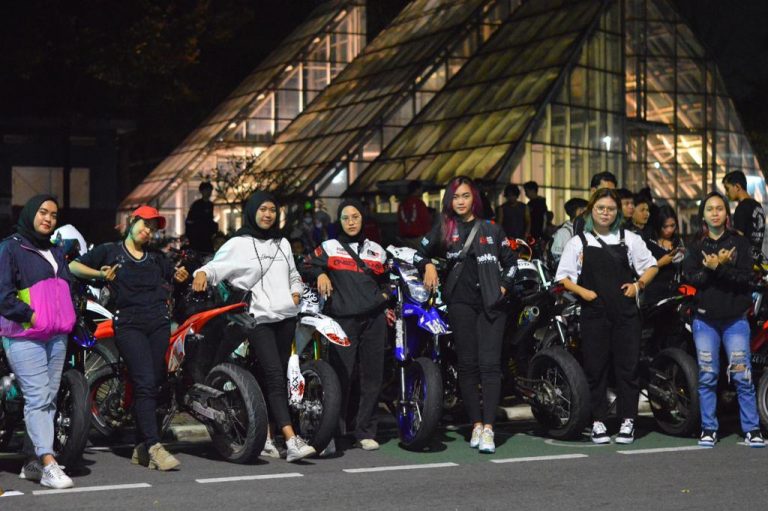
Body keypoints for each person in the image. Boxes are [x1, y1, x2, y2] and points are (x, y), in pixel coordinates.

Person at [191, 192, 315, 462]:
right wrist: (201, 273)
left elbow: (293, 274)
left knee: (273, 376)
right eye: (263, 209)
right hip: (258, 318)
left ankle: (268, 437)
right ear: (252, 212)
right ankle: (291, 439)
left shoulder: (282, 243)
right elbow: (215, 267)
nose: (268, 214)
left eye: (272, 210)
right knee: (274, 374)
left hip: (286, 316)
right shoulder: (238, 244)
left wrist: (295, 292)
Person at [70, 206, 190, 470]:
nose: (148, 231)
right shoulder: (110, 251)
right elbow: (73, 266)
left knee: (155, 383)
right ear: (132, 221)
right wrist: (100, 275)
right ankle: (154, 446)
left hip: (158, 324)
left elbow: (175, 276)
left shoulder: (157, 258)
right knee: (145, 381)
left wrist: (181, 276)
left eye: (153, 228)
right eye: (145, 224)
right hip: (129, 325)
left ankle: (140, 447)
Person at [416, 176, 518, 454]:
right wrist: (428, 265)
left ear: (475, 198)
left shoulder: (492, 229)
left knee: (490, 365)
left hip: (492, 305)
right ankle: (476, 425)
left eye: (465, 196)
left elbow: (512, 265)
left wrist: (502, 288)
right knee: (468, 365)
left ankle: (489, 428)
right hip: (460, 304)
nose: (460, 201)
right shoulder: (444, 229)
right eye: (455, 197)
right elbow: (418, 252)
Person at [556, 189, 658, 445]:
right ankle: (598, 421)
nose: (605, 213)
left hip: (626, 314)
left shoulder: (629, 239)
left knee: (628, 368)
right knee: (595, 368)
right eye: (600, 208)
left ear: (618, 213)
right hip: (594, 314)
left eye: (611, 209)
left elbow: (652, 266)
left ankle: (628, 420)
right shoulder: (578, 241)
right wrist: (584, 293)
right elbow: (563, 278)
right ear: (591, 210)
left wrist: (638, 285)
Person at [0, 195, 76, 489]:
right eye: (43, 212)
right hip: (24, 335)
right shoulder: (11, 247)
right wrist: (31, 316)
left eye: (54, 215)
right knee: (38, 397)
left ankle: (31, 461)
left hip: (56, 335)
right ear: (31, 212)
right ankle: (48, 463)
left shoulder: (55, 251)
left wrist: (69, 315)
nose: (48, 219)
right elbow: (3, 295)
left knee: (49, 398)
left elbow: (66, 287)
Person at [682, 192, 765, 448]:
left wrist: (719, 267)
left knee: (742, 376)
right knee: (708, 375)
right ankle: (709, 428)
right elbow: (692, 279)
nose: (715, 213)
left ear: (726, 214)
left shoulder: (739, 244)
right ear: (703, 216)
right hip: (704, 321)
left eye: (719, 208)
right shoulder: (695, 247)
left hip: (735, 321)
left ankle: (752, 429)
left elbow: (746, 279)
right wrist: (711, 268)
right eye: (710, 209)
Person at [307, 199, 389, 451]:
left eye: (355, 217)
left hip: (374, 320)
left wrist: (384, 296)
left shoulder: (377, 250)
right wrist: (320, 273)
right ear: (339, 221)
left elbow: (388, 279)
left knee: (372, 377)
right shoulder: (329, 247)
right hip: (343, 321)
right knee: (340, 376)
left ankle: (365, 431)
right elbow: (306, 265)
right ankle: (334, 432)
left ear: (363, 219)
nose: (351, 222)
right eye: (345, 218)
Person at [643, 205, 685, 305]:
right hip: (654, 295)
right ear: (658, 225)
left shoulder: (678, 241)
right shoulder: (649, 242)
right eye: (665, 226)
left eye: (672, 225)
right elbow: (642, 270)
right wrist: (661, 263)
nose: (669, 230)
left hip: (675, 293)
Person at [722, 170, 765, 263]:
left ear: (737, 187)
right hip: (757, 261)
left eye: (727, 189)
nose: (726, 193)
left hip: (744, 264)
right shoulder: (758, 206)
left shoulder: (742, 208)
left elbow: (738, 241)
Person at [549, 198, 588, 264]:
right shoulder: (563, 233)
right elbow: (557, 259)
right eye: (587, 211)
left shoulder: (585, 230)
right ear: (580, 211)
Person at [185, 182, 218, 254]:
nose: (209, 192)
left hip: (207, 236)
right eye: (206, 190)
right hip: (197, 237)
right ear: (202, 191)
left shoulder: (210, 205)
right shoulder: (197, 205)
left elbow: (209, 219)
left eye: (210, 190)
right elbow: (190, 221)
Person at [398, 181, 432, 246]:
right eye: (421, 189)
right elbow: (425, 221)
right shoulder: (419, 203)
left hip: (404, 239)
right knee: (424, 250)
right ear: (417, 190)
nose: (421, 191)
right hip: (418, 238)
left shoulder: (402, 204)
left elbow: (399, 222)